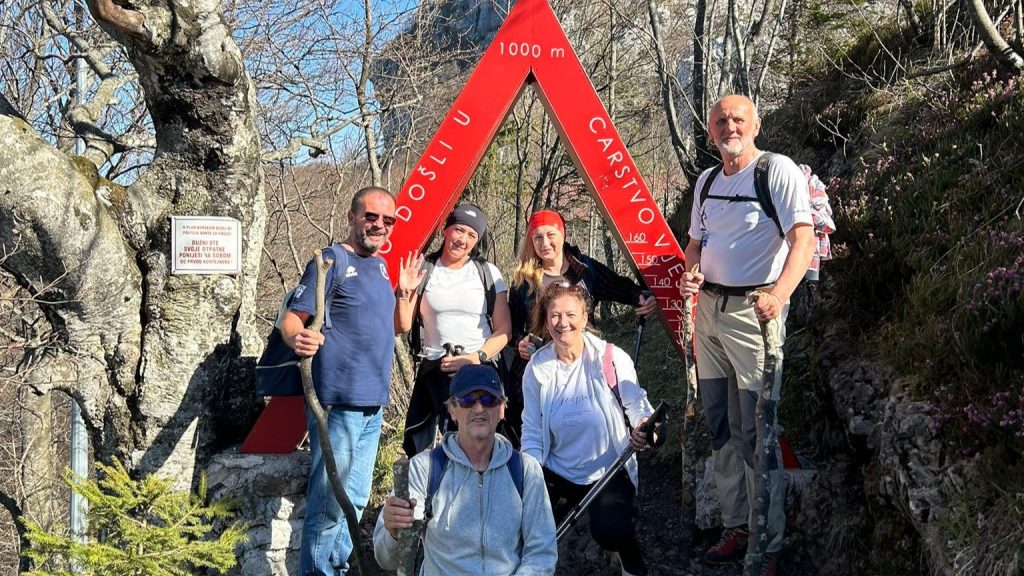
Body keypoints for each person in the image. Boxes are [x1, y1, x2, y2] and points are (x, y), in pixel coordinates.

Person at [679, 94, 816, 575]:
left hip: (753, 315)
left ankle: (768, 540)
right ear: (710, 130)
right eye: (720, 121)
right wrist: (690, 274)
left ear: (755, 125)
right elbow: (695, 245)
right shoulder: (706, 181)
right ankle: (736, 525)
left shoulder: (775, 171)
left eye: (738, 119)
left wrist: (778, 295)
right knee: (720, 424)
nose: (729, 127)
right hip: (709, 314)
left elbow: (803, 239)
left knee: (757, 429)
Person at [281, 186, 399, 576]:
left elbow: (389, 327)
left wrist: (407, 295)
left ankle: (336, 568)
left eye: (387, 220)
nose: (379, 225)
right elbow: (292, 319)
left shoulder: (381, 267)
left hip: (373, 405)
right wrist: (298, 337)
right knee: (329, 504)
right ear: (352, 217)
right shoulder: (331, 261)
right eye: (371, 216)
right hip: (338, 403)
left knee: (356, 500)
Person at [521, 282, 657, 576]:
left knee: (612, 531)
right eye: (554, 315)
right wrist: (528, 477)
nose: (563, 323)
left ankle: (630, 562)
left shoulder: (611, 358)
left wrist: (644, 427)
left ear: (584, 317)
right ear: (546, 320)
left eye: (571, 314)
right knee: (522, 524)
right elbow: (531, 429)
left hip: (607, 468)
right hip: (558, 469)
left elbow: (637, 405)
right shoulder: (537, 369)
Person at [374, 364, 558, 575]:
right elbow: (386, 559)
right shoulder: (424, 469)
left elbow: (542, 554)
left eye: (488, 400)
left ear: (502, 409)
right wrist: (392, 532)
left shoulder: (525, 470)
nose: (478, 408)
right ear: (452, 410)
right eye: (467, 400)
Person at [504, 209, 658, 446]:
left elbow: (619, 287)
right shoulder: (525, 281)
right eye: (538, 237)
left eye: (550, 235)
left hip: (584, 363)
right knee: (538, 430)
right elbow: (512, 329)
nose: (545, 243)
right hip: (539, 368)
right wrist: (520, 343)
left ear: (563, 234)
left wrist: (642, 298)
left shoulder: (585, 270)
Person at [395, 203, 512, 457]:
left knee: (479, 445)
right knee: (422, 448)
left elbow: (504, 330)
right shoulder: (424, 269)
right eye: (458, 230)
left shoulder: (487, 272)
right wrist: (404, 293)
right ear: (445, 230)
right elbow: (402, 326)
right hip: (435, 370)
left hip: (478, 370)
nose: (462, 239)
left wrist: (475, 358)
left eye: (471, 235)